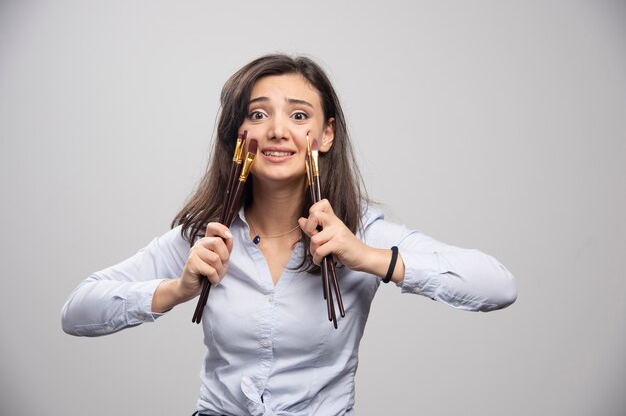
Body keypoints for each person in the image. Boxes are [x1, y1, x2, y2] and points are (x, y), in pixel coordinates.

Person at [61, 54, 517, 416]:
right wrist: (175, 289)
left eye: (300, 116)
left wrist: (370, 257)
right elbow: (76, 311)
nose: (278, 131)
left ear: (325, 135)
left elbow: (497, 285)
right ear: (238, 134)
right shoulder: (206, 235)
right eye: (258, 114)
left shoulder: (362, 230)